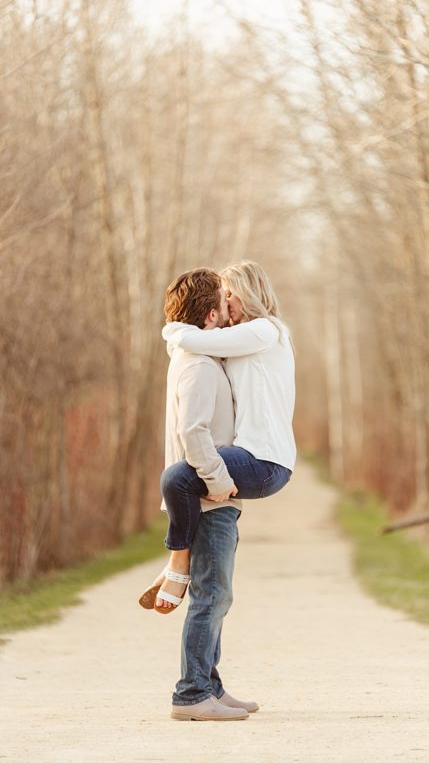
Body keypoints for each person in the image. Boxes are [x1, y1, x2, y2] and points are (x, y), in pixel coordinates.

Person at [139, 260, 295, 616]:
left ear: (248, 292)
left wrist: (170, 329)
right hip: (246, 452)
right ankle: (178, 561)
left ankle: (177, 560)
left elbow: (193, 338)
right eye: (221, 296)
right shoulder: (235, 343)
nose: (226, 302)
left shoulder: (266, 330)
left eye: (230, 294)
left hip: (266, 459)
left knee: (178, 478)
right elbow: (196, 352)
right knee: (181, 478)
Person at [141, 268, 253, 721]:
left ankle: (210, 683)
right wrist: (219, 479)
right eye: (223, 304)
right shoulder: (201, 366)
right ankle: (190, 695)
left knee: (215, 593)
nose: (228, 311)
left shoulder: (194, 358)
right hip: (209, 497)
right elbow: (193, 432)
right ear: (209, 315)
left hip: (205, 495)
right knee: (213, 595)